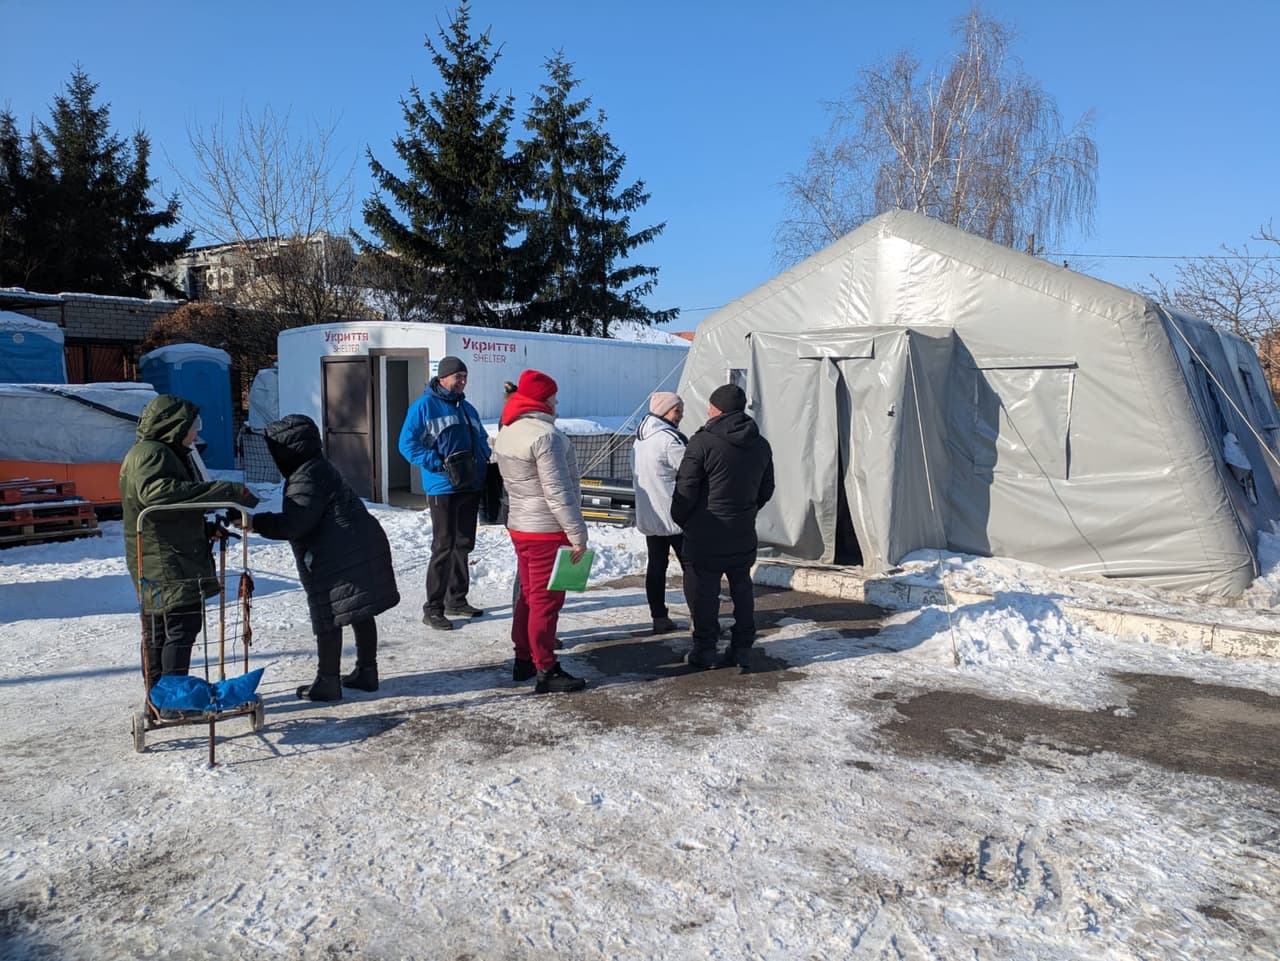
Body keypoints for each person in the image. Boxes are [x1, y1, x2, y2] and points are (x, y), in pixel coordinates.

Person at [119, 394, 260, 717]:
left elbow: (169, 508)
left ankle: (159, 698)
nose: (195, 433)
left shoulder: (157, 451)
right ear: (173, 425)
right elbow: (158, 496)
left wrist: (204, 526)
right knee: (178, 628)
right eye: (191, 427)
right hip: (165, 559)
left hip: (167, 551)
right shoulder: (152, 453)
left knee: (162, 630)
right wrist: (225, 491)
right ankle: (172, 701)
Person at [246, 414, 401, 701]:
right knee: (358, 609)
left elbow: (295, 524)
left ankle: (328, 681)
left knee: (329, 613)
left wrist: (255, 523)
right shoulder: (316, 467)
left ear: (288, 449)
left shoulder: (306, 476)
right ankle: (367, 672)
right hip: (357, 544)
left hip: (337, 555)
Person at [492, 369, 589, 693]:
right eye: (553, 395)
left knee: (530, 598)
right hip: (548, 529)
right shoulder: (544, 436)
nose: (557, 400)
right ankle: (546, 668)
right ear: (542, 398)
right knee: (546, 602)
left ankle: (524, 658)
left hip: (522, 525)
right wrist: (578, 534)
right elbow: (557, 492)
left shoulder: (508, 430)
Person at [671, 383, 775, 670]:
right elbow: (767, 488)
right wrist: (747, 511)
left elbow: (686, 487)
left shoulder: (702, 442)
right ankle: (742, 646)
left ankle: (704, 649)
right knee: (741, 586)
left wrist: (683, 518)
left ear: (718, 408)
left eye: (711, 405)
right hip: (742, 529)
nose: (707, 410)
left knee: (703, 591)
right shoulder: (761, 443)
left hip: (705, 531)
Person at [399, 355, 491, 632]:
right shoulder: (424, 407)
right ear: (443, 378)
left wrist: (484, 459)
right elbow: (407, 444)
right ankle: (433, 608)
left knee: (463, 543)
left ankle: (457, 599)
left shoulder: (467, 409)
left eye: (464, 376)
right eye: (457, 377)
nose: (462, 381)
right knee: (443, 546)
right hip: (443, 486)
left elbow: (482, 440)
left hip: (470, 485)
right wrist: (437, 463)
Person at [631, 390, 690, 634]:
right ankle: (701, 616)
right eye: (678, 411)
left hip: (649, 514)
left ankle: (659, 616)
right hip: (674, 514)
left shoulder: (639, 439)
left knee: (656, 566)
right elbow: (690, 471)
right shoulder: (669, 439)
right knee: (692, 567)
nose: (680, 416)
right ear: (665, 411)